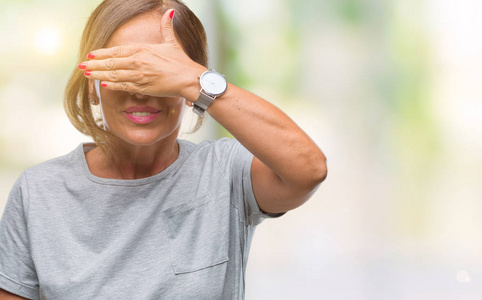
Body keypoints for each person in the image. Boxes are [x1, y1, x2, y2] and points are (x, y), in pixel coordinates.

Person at [0, 0, 327, 299]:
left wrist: (194, 79)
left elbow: (309, 169)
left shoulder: (224, 173)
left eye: (158, 71)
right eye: (126, 68)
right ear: (93, 83)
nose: (141, 90)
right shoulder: (38, 193)